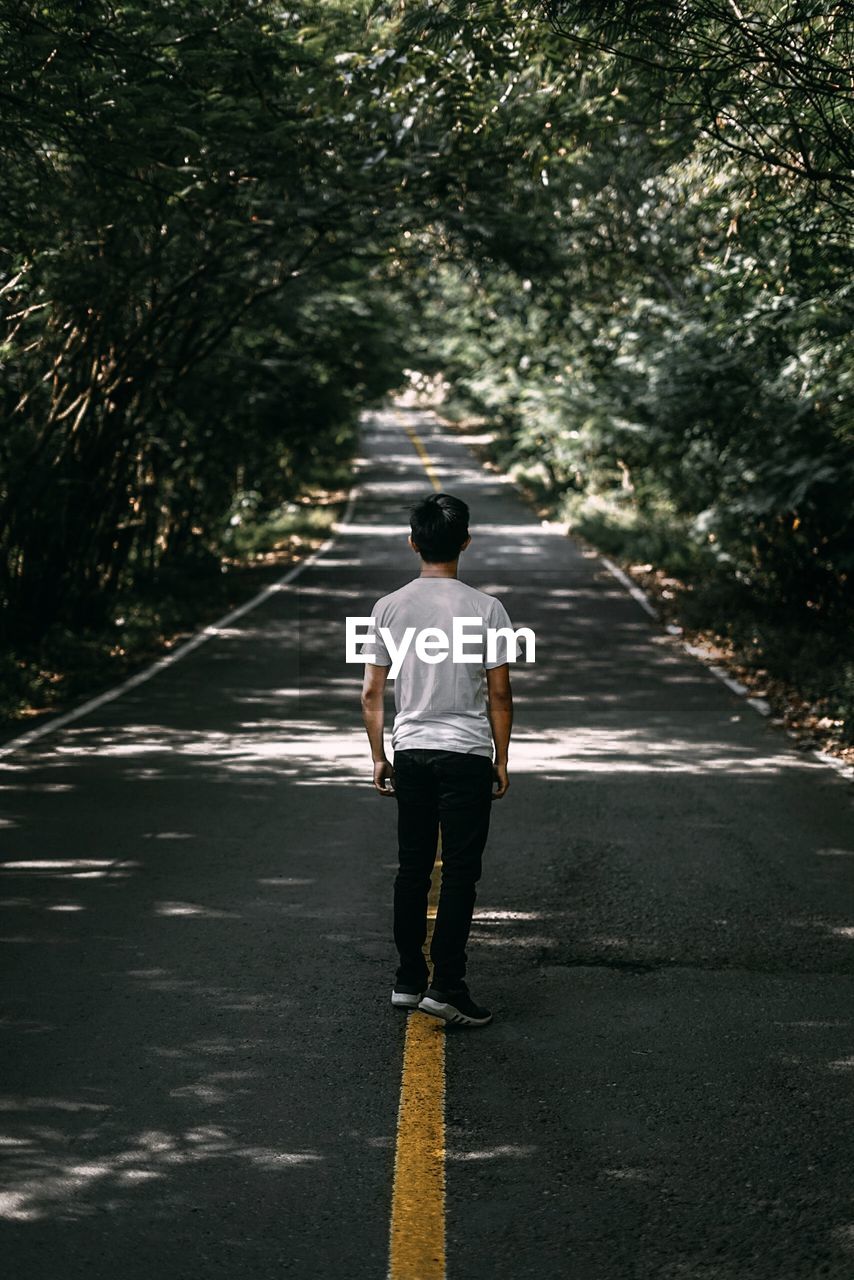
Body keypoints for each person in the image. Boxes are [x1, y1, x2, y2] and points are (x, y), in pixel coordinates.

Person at [360, 492, 514, 1028]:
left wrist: (379, 756)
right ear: (465, 543)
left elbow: (372, 694)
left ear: (412, 542)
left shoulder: (388, 607)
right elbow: (500, 696)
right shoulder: (487, 608)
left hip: (413, 751)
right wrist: (501, 757)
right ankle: (447, 984)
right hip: (466, 751)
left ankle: (408, 979)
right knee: (460, 874)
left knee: (413, 867)